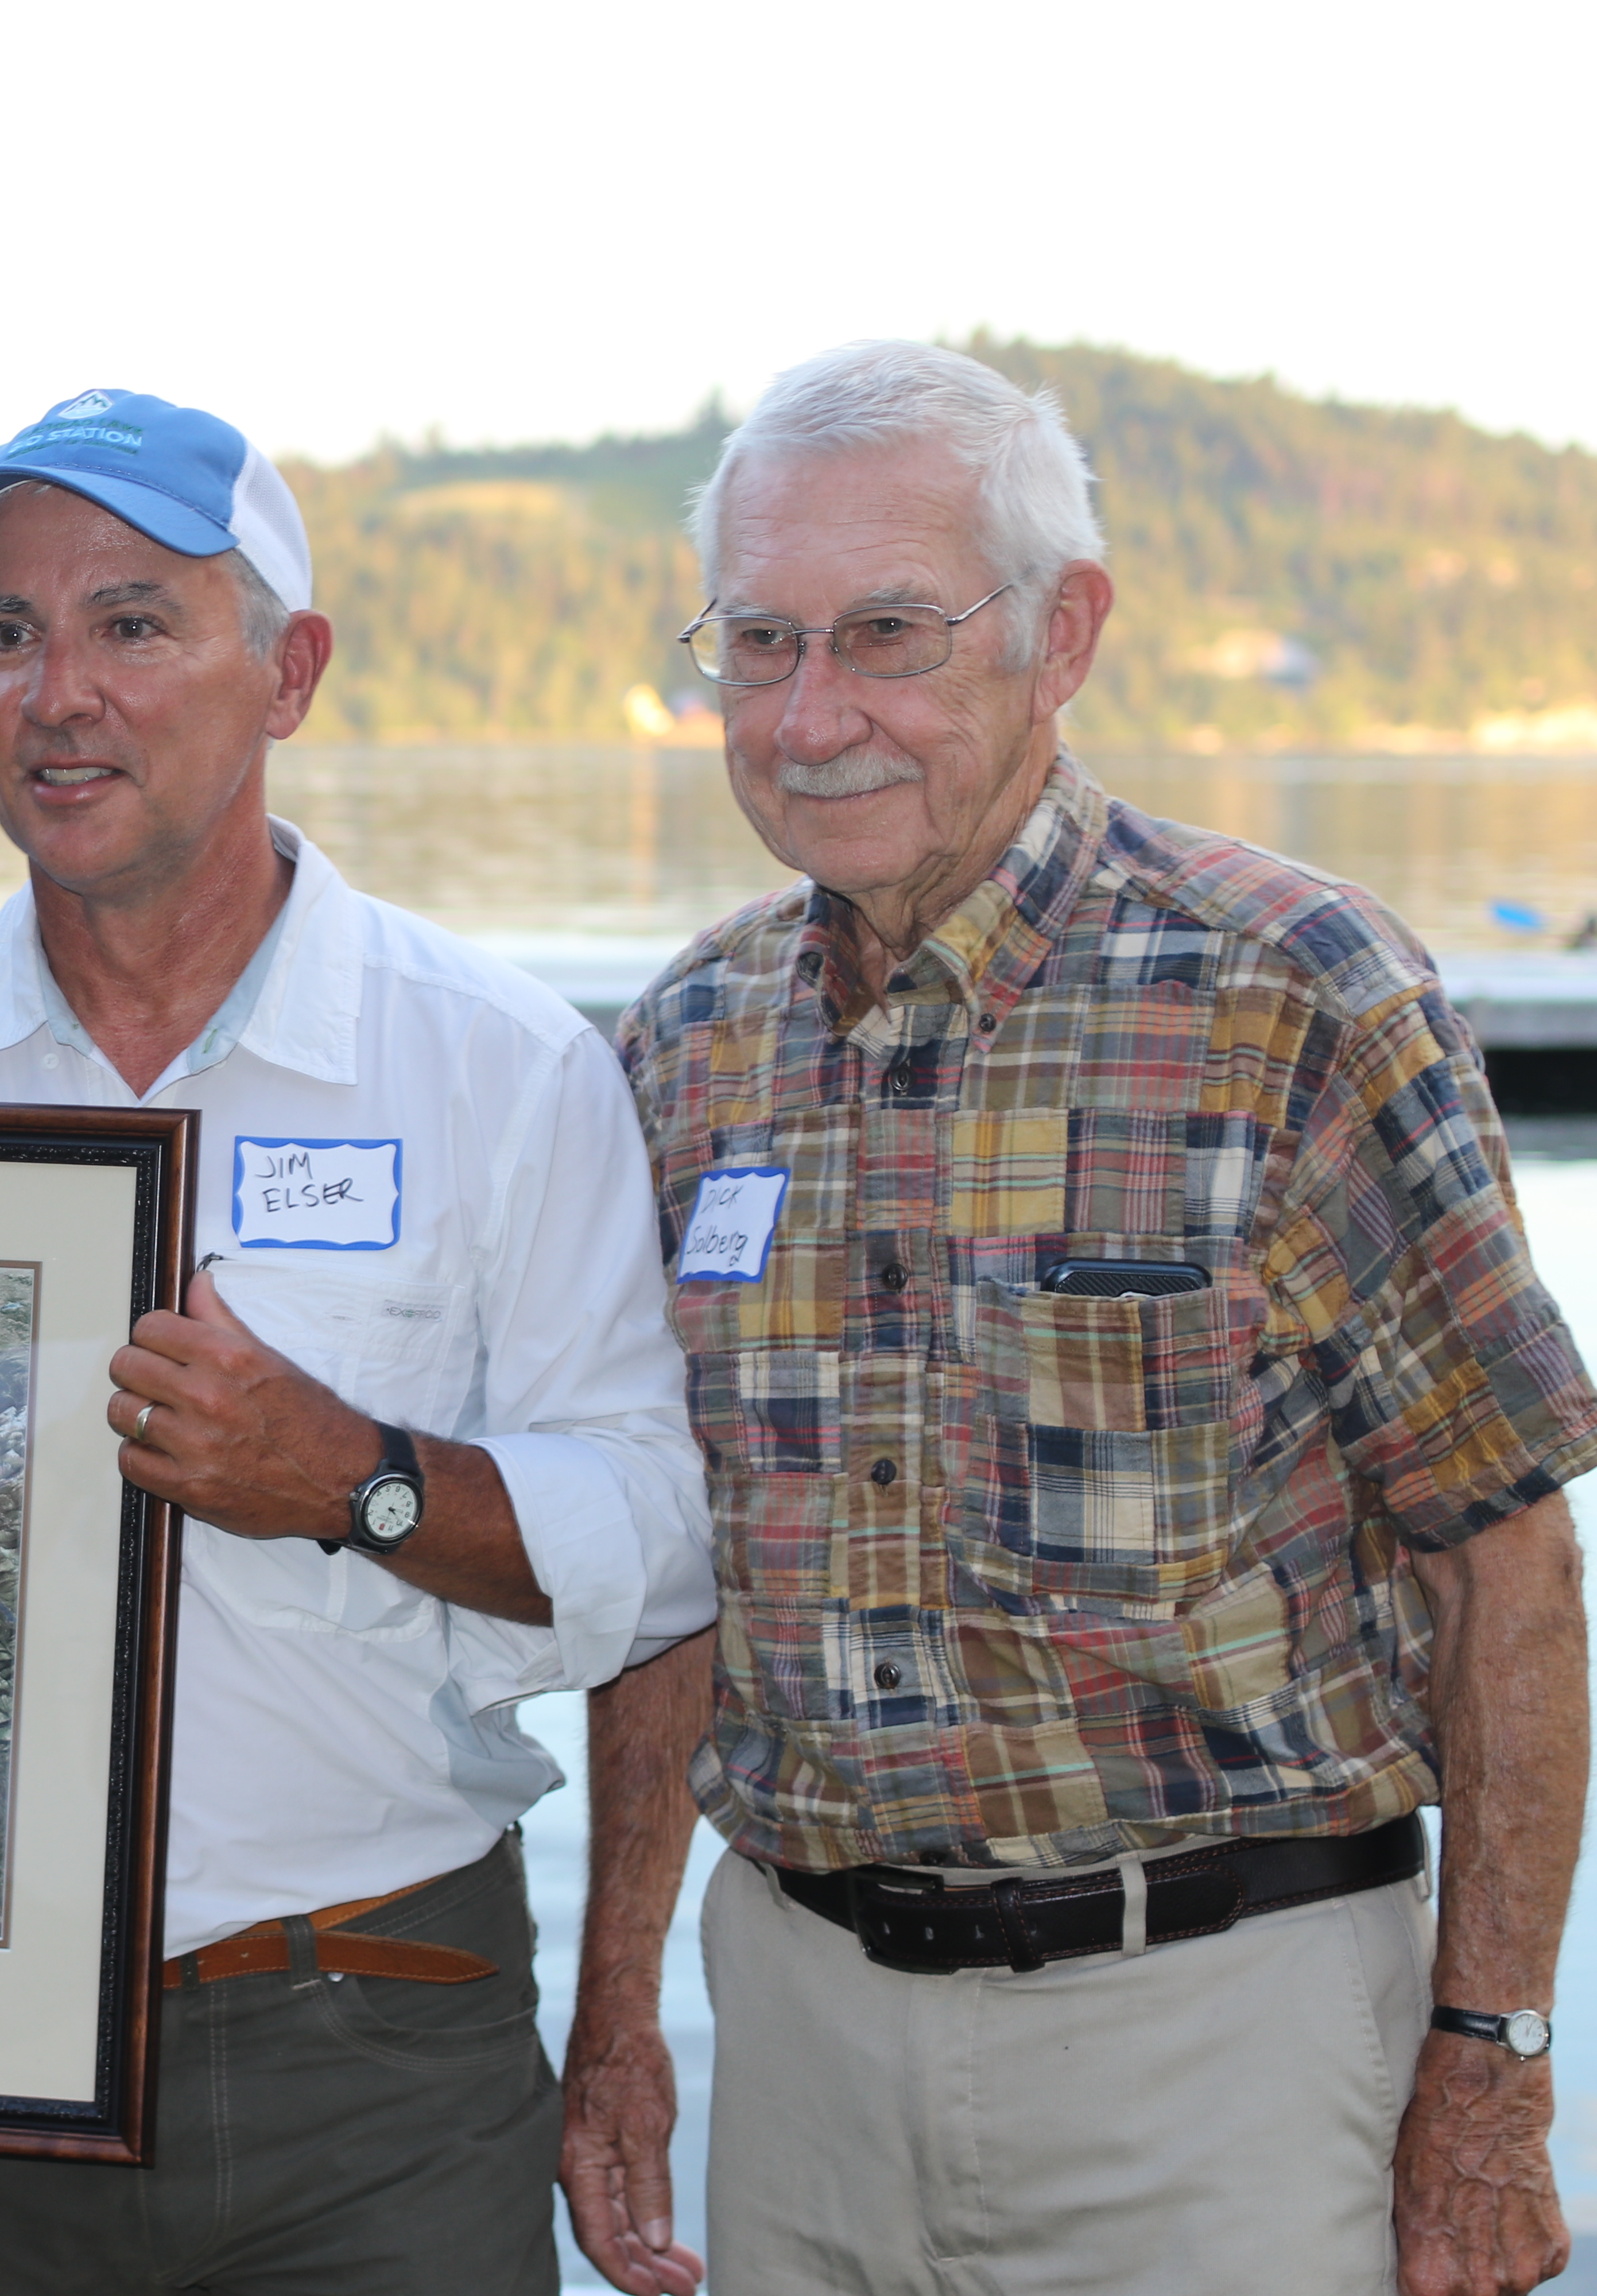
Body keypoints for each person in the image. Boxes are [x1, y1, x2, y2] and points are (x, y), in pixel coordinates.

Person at [565, 338, 1597, 2296]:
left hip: (1220, 2040)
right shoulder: (693, 1044)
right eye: (759, 643)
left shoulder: (1296, 996)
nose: (811, 715)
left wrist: (1493, 2064)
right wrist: (618, 2018)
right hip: (794, 2032)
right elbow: (669, 1578)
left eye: (888, 634)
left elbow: (1510, 1568)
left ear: (1064, 635)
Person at [0, 388, 715, 2294]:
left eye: (133, 623)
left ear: (288, 672)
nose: (58, 693)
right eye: (8, 634)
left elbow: (658, 1548)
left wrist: (351, 1481)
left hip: (374, 2051)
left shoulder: (498, 1068)